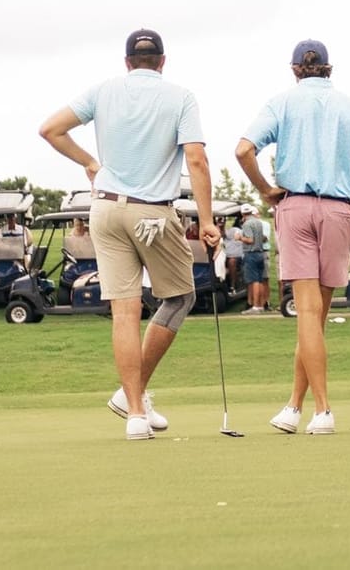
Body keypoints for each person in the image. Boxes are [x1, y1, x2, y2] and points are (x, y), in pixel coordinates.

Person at [39, 27, 219, 441]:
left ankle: (135, 411)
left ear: (126, 62)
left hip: (103, 207)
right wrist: (207, 221)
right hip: (152, 213)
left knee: (124, 310)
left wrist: (90, 163)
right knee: (180, 297)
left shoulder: (104, 90)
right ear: (162, 61)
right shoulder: (181, 97)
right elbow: (196, 159)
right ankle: (129, 394)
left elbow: (50, 129)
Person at [236, 38, 350, 435]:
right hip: (339, 211)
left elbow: (243, 151)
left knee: (308, 316)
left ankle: (322, 410)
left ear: (295, 69)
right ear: (329, 68)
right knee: (316, 317)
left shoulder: (282, 102)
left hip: (294, 207)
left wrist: (264, 190)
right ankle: (294, 407)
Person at [239, 204, 267, 314]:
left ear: (242, 213)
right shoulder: (258, 222)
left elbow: (250, 240)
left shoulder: (247, 224)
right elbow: (263, 238)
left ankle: (255, 306)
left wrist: (239, 238)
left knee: (254, 280)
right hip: (260, 253)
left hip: (251, 253)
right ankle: (260, 305)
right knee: (260, 280)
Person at [222, 216, 243, 292]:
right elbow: (224, 234)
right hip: (227, 256)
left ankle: (232, 286)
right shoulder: (234, 230)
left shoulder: (246, 231)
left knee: (232, 261)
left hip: (239, 258)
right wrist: (221, 225)